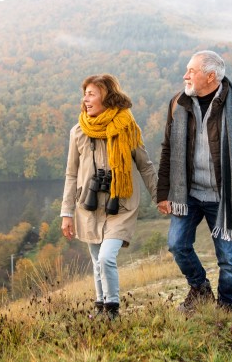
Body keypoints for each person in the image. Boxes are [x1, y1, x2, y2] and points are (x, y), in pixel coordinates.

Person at [157, 50, 232, 313]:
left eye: (191, 71)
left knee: (229, 261)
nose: (185, 76)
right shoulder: (178, 103)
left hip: (225, 197)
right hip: (189, 193)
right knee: (177, 244)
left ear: (210, 77)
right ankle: (200, 289)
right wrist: (163, 192)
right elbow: (168, 149)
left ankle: (225, 309)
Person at [61, 74, 158, 319]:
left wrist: (160, 197)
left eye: (91, 94)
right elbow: (71, 174)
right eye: (85, 94)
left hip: (121, 205)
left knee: (106, 258)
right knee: (96, 261)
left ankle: (112, 310)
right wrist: (66, 213)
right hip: (89, 205)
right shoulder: (78, 132)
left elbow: (145, 166)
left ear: (106, 97)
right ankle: (101, 306)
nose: (85, 99)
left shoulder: (127, 129)